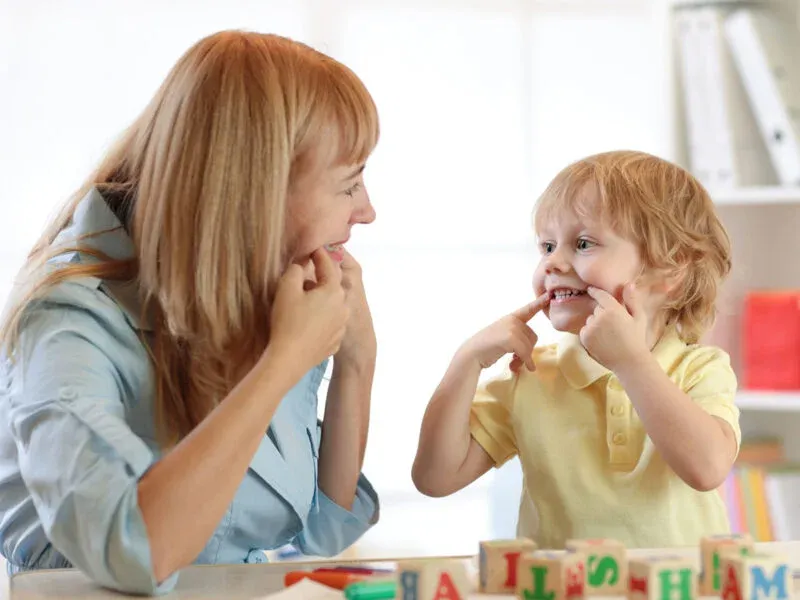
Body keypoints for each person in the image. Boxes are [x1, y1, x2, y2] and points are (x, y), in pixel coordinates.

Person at [0, 30, 380, 595]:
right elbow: (132, 548)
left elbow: (319, 527)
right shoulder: (66, 323)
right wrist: (280, 363)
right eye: (348, 185)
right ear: (257, 190)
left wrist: (356, 363)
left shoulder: (259, 292)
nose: (367, 211)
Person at [412, 150, 739, 548]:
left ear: (669, 267)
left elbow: (706, 468)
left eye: (583, 244)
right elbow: (435, 478)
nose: (553, 263)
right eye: (547, 246)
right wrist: (465, 362)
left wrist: (630, 361)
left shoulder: (700, 369)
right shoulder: (532, 375)